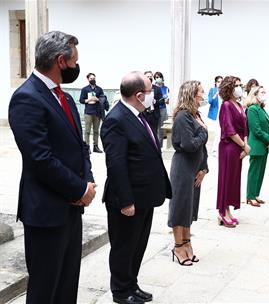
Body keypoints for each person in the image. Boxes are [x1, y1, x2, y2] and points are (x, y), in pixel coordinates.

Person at [8, 31, 96, 304]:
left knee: (67, 283)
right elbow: (40, 159)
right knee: (45, 288)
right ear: (61, 61)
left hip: (71, 207)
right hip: (46, 210)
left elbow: (80, 146)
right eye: (74, 62)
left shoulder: (65, 98)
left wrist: (88, 182)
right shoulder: (27, 97)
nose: (76, 68)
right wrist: (79, 187)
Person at [101, 71, 172, 304]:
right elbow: (116, 164)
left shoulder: (140, 115)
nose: (155, 95)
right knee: (124, 246)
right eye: (151, 91)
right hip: (128, 198)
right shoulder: (116, 119)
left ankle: (132, 284)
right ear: (139, 95)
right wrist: (126, 200)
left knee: (137, 245)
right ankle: (121, 291)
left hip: (145, 196)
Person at [168, 80, 208, 266]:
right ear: (192, 94)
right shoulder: (183, 116)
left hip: (194, 168)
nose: (203, 93)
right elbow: (189, 144)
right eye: (201, 91)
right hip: (183, 167)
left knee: (189, 208)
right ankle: (178, 247)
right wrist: (204, 132)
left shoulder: (195, 114)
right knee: (180, 207)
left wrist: (203, 168)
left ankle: (187, 243)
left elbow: (202, 148)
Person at [216, 76, 250, 227]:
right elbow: (229, 130)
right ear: (229, 88)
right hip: (229, 147)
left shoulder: (239, 105)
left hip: (240, 146)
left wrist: (245, 146)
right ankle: (222, 212)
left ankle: (228, 210)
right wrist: (243, 145)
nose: (239, 87)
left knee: (234, 180)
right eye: (236, 85)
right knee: (226, 179)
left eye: (240, 85)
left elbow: (245, 127)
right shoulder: (226, 105)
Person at [245, 86, 269, 207]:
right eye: (262, 92)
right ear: (254, 94)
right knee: (254, 171)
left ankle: (256, 194)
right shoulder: (252, 109)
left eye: (265, 91)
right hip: (256, 145)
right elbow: (256, 129)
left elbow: (266, 126)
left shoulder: (260, 108)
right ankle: (250, 196)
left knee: (261, 172)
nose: (264, 94)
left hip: (263, 145)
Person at [79, 72, 105, 153]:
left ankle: (95, 146)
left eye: (94, 78)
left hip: (97, 112)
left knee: (96, 131)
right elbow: (81, 100)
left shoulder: (99, 89)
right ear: (88, 79)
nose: (93, 80)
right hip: (88, 112)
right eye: (91, 78)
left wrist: (98, 99)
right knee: (87, 131)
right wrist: (88, 100)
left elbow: (103, 99)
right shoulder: (85, 89)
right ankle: (87, 147)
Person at [144, 71, 164, 137]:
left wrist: (156, 102)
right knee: (144, 133)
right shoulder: (140, 88)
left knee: (153, 134)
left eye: (150, 76)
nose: (149, 78)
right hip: (144, 114)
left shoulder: (157, 89)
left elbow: (162, 101)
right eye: (148, 76)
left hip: (154, 115)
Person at [153, 71, 170, 147]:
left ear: (162, 78)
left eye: (159, 77)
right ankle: (154, 145)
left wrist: (166, 99)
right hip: (154, 109)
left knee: (161, 129)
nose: (158, 78)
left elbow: (168, 102)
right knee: (154, 128)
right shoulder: (152, 88)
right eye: (156, 77)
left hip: (163, 109)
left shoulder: (166, 88)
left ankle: (160, 146)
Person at [208, 76, 223, 155]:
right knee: (218, 132)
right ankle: (215, 150)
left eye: (221, 81)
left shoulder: (224, 91)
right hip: (216, 114)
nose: (220, 83)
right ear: (215, 83)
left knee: (221, 131)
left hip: (224, 113)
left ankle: (218, 150)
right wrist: (216, 94)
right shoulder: (212, 90)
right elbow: (210, 101)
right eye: (218, 81)